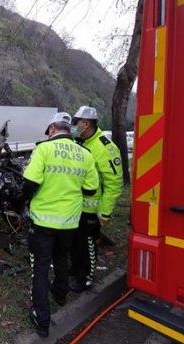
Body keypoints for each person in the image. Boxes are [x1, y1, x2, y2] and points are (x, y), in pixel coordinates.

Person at [22, 112, 99, 338]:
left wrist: (27, 201)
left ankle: (41, 317)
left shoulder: (43, 149)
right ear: (68, 128)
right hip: (69, 222)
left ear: (52, 129)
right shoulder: (85, 154)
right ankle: (61, 293)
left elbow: (29, 183)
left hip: (43, 221)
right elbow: (91, 188)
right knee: (61, 257)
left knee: (41, 267)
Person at [69, 106, 124, 292]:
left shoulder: (104, 148)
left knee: (87, 244)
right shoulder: (79, 142)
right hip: (75, 206)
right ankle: (75, 270)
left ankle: (86, 277)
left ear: (86, 124)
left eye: (76, 122)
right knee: (75, 242)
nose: (74, 126)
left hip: (92, 209)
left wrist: (105, 212)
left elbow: (114, 183)